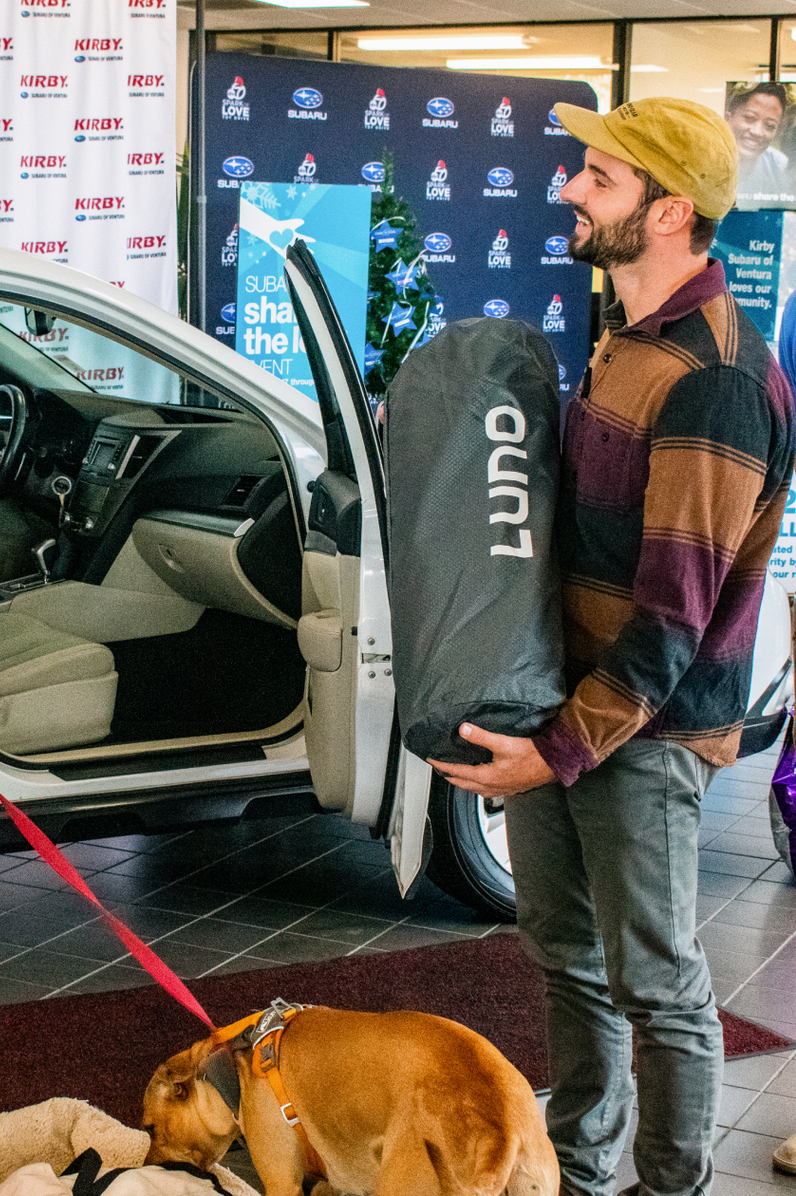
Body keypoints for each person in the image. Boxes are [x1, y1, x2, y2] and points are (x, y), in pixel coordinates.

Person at [429, 96, 795, 1196]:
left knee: (659, 982)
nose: (568, 189)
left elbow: (673, 618)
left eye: (598, 175)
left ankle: (668, 1184)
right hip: (565, 706)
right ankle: (584, 1169)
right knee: (567, 964)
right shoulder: (628, 342)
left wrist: (560, 750)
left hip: (639, 731)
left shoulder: (715, 377)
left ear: (670, 208)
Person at [725, 83, 794, 209]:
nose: (757, 132)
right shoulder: (703, 160)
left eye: (770, 126)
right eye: (750, 118)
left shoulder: (781, 168)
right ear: (728, 117)